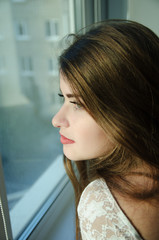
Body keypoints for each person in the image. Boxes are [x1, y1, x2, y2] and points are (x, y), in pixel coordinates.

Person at [52, 20, 159, 240]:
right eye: (63, 98)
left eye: (78, 104)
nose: (57, 120)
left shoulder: (103, 208)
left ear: (126, 109)